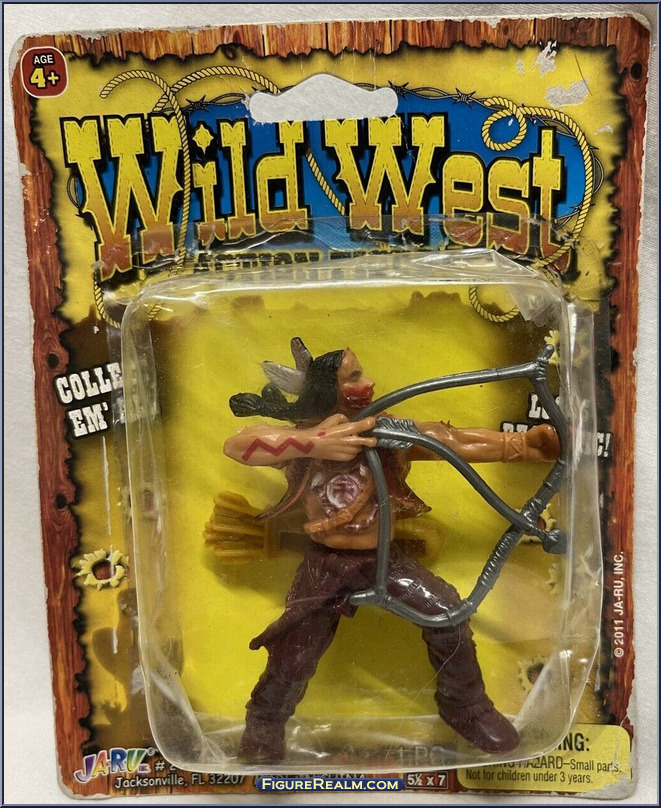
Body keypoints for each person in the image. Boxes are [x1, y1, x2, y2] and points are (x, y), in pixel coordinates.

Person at [224, 338, 559, 763]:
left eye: (361, 373)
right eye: (353, 377)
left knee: (447, 613)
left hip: (383, 560)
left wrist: (524, 446)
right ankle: (264, 726)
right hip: (324, 566)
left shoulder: (386, 432)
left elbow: (449, 440)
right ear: (328, 388)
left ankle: (465, 706)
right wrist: (316, 443)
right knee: (293, 653)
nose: (367, 382)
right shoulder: (305, 441)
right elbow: (238, 445)